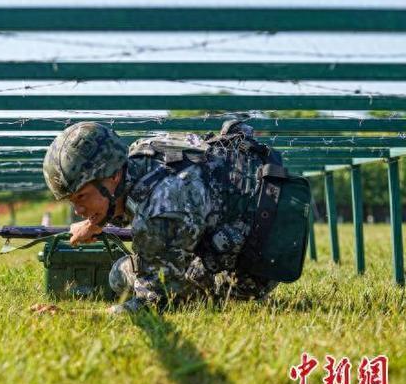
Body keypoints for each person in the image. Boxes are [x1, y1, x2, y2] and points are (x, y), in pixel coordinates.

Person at [42, 121, 282, 313]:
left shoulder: (161, 210)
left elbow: (155, 301)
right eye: (72, 201)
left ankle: (240, 292)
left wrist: (82, 315)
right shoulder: (141, 154)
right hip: (239, 232)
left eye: (82, 197)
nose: (78, 210)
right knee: (127, 271)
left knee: (120, 274)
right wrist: (96, 220)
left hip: (251, 270)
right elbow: (131, 197)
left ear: (112, 176)